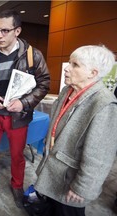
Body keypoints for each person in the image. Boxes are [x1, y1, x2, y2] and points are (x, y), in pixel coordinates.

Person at [0, 9, 50, 208]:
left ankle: (17, 185)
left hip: (18, 116)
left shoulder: (33, 56)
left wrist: (23, 103)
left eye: (5, 31)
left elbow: (44, 84)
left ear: (17, 31)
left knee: (17, 155)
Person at [34, 45, 117, 216]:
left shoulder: (104, 104)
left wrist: (83, 188)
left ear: (93, 73)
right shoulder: (67, 90)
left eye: (75, 65)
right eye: (69, 63)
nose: (67, 68)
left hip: (70, 180)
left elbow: (100, 156)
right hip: (53, 171)